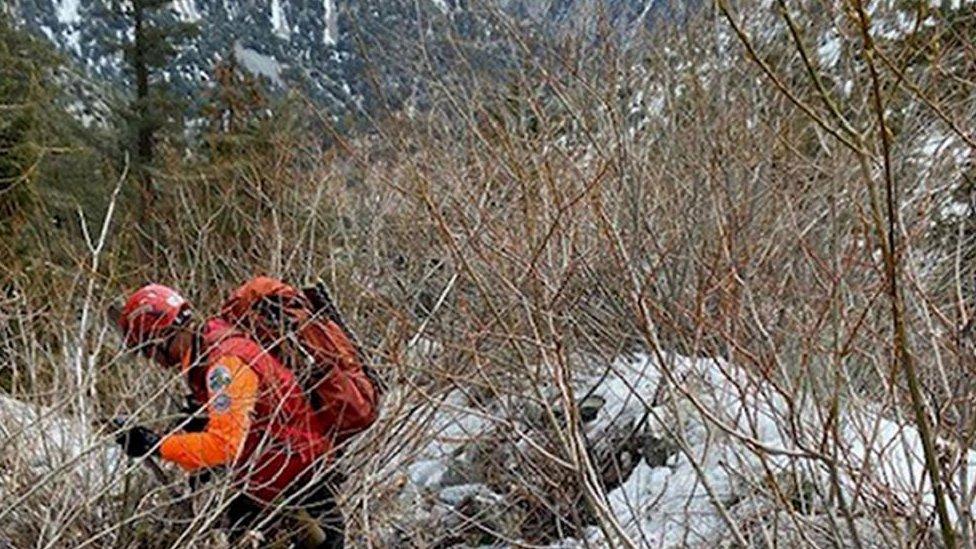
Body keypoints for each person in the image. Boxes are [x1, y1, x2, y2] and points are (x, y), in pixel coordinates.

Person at [111, 280, 378, 548]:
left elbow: (223, 446)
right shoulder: (215, 339)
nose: (150, 359)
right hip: (284, 477)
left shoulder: (223, 365)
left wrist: (155, 445)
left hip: (297, 488)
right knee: (239, 523)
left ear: (159, 338)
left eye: (146, 350)